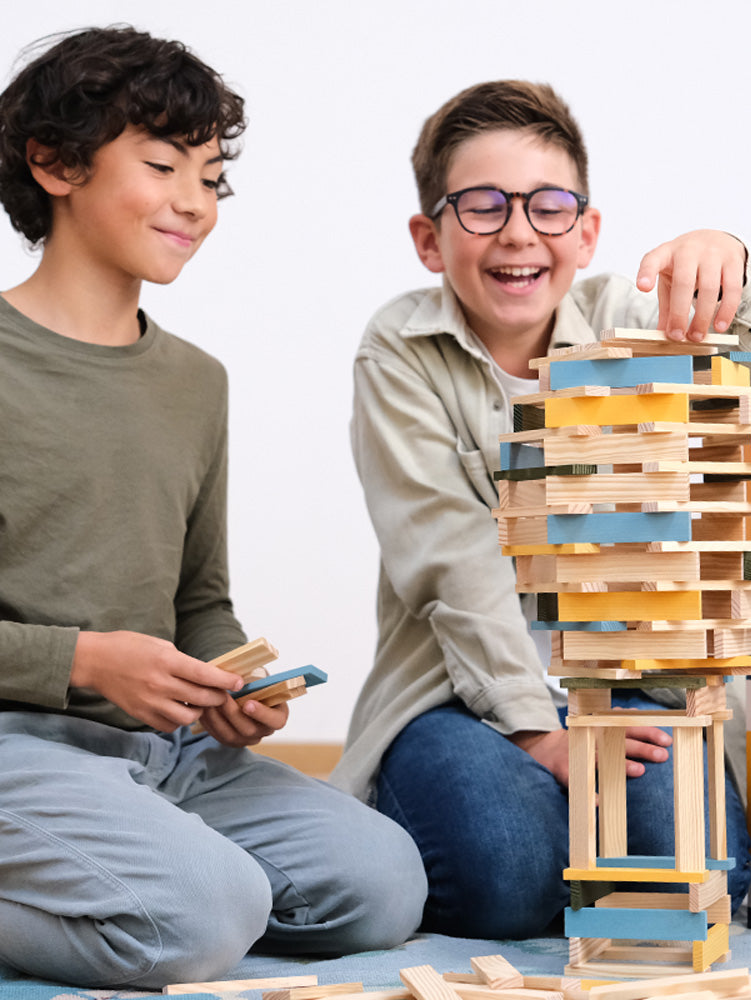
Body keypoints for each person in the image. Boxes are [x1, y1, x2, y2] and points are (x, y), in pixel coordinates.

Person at [0, 26, 425, 989]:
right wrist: (84, 659)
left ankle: (150, 876)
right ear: (55, 162)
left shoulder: (196, 383)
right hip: (15, 746)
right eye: (162, 165)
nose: (195, 202)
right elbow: (86, 658)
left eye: (209, 177)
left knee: (384, 886)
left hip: (162, 753)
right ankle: (169, 891)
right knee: (206, 913)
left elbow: (201, 599)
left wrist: (231, 683)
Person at [337, 80, 751, 940]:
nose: (519, 232)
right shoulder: (398, 351)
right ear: (428, 237)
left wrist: (734, 265)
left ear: (586, 232)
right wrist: (536, 735)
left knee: (694, 872)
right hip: (462, 695)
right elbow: (452, 558)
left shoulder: (631, 322)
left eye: (548, 207)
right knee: (510, 877)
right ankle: (441, 822)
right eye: (481, 207)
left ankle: (562, 827)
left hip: (633, 684)